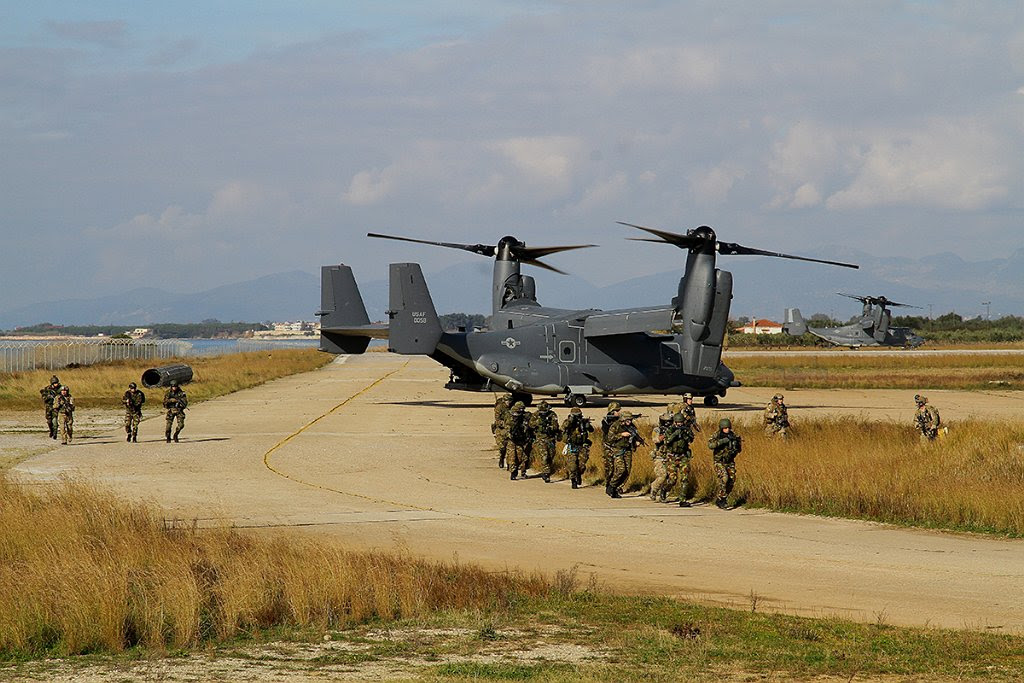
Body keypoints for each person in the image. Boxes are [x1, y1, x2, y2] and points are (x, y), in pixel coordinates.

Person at [605, 413, 643, 498]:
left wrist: (636, 442)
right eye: (627, 420)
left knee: (627, 471)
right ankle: (612, 485)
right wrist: (621, 435)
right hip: (617, 449)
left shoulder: (632, 427)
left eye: (630, 420)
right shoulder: (615, 426)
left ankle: (616, 488)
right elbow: (610, 438)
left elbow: (634, 436)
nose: (629, 422)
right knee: (621, 469)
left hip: (628, 450)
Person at [708, 418, 742, 509]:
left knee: (731, 480)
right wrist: (722, 441)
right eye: (725, 428)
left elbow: (739, 450)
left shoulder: (733, 435)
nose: (727, 430)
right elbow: (710, 445)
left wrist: (736, 443)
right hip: (719, 462)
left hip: (730, 462)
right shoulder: (717, 435)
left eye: (728, 428)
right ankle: (722, 499)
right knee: (724, 478)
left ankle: (722, 498)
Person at [665, 412, 696, 507]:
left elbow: (691, 439)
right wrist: (675, 434)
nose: (680, 424)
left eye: (681, 422)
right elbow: (667, 441)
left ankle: (682, 499)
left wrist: (685, 435)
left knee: (685, 478)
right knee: (673, 479)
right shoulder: (670, 429)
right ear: (674, 422)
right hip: (672, 456)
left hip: (683, 456)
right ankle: (664, 489)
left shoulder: (686, 429)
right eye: (678, 422)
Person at [561, 407, 593, 489]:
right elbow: (563, 428)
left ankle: (578, 475)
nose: (577, 417)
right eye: (575, 415)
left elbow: (591, 430)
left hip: (582, 446)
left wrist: (587, 425)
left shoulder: (582, 422)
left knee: (582, 465)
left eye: (578, 415)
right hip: (572, 445)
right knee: (572, 466)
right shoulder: (568, 422)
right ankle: (573, 480)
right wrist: (571, 421)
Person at [530, 401, 561, 483]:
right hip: (540, 439)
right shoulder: (536, 415)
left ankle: (547, 469)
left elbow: (556, 426)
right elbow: (531, 424)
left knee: (551, 455)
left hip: (550, 439)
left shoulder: (552, 415)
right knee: (544, 457)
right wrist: (539, 423)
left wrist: (549, 427)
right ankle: (546, 473)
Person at [649, 410, 674, 502]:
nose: (668, 424)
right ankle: (654, 489)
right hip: (660, 456)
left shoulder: (674, 429)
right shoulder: (657, 430)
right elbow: (655, 440)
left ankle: (664, 491)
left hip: (671, 456)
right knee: (662, 476)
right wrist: (663, 437)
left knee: (672, 478)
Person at [507, 401, 531, 480]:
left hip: (518, 440)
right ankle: (514, 472)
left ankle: (516, 470)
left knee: (517, 457)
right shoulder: (511, 416)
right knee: (514, 456)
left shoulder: (524, 416)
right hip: (514, 440)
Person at [600, 401, 621, 485]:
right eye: (617, 411)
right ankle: (608, 482)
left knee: (619, 467)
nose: (619, 412)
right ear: (612, 411)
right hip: (608, 446)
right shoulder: (606, 421)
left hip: (617, 446)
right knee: (609, 466)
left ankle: (615, 485)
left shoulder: (620, 421)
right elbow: (606, 430)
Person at [492, 394, 512, 469]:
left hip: (508, 429)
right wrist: (505, 424)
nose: (508, 402)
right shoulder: (499, 408)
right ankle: (501, 458)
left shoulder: (512, 408)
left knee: (509, 447)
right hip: (500, 429)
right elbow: (497, 420)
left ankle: (509, 463)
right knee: (502, 447)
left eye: (510, 401)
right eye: (507, 401)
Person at [39, 375, 61, 439]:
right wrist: (48, 397)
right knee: (49, 421)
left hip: (55, 407)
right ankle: (51, 430)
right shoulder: (47, 389)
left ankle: (55, 433)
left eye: (56, 383)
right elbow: (44, 398)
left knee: (55, 421)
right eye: (54, 383)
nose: (56, 384)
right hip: (49, 407)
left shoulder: (60, 389)